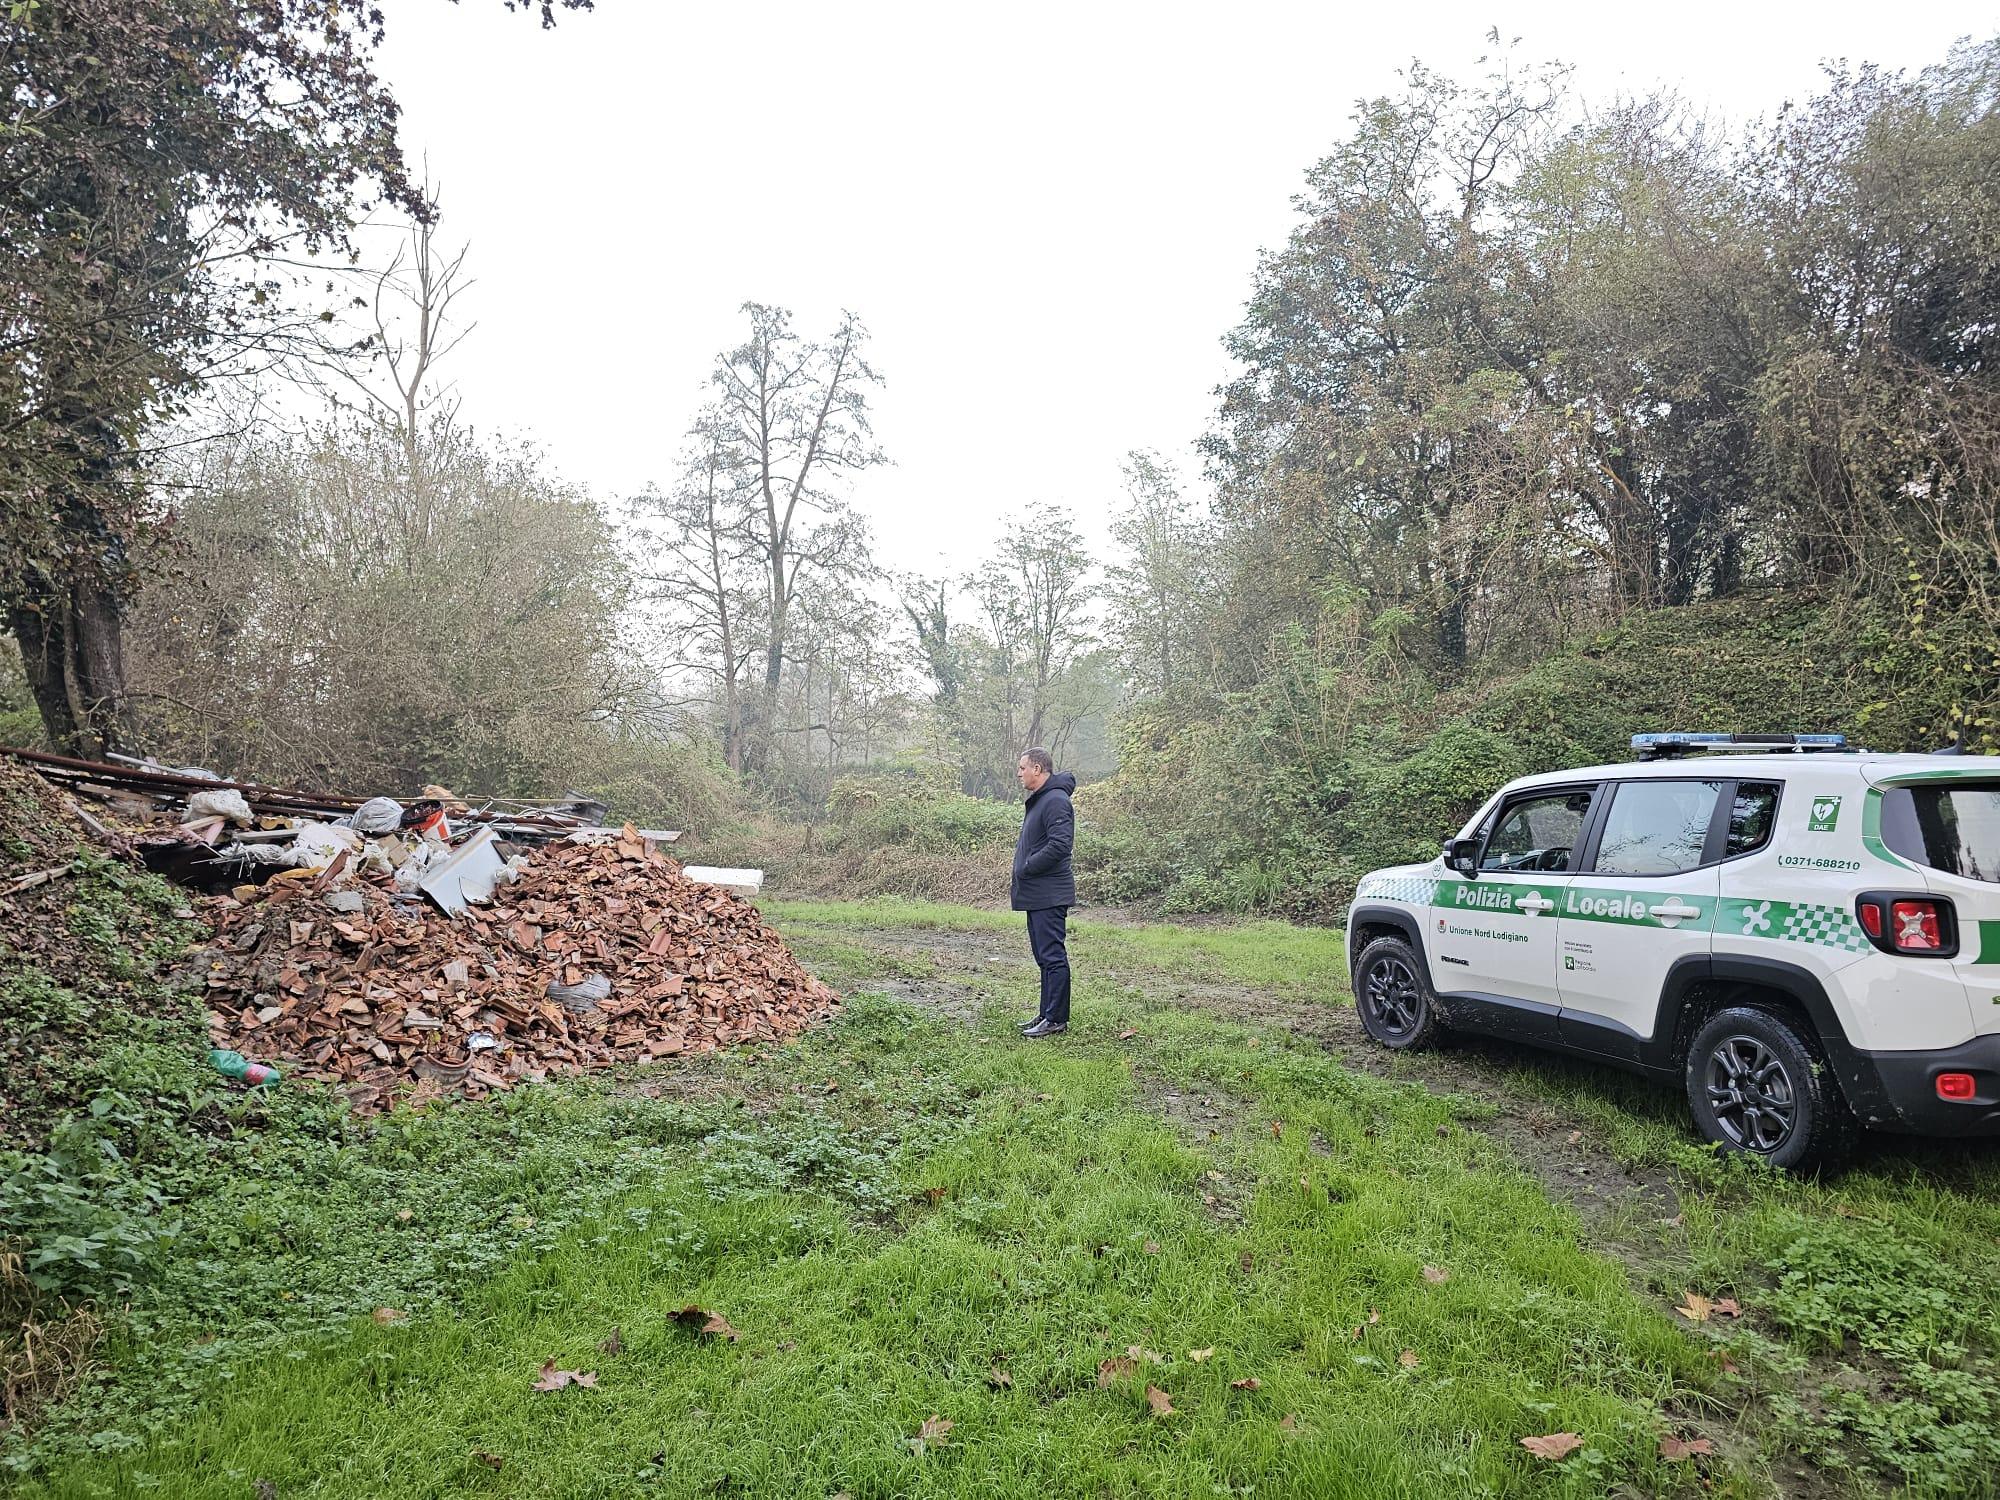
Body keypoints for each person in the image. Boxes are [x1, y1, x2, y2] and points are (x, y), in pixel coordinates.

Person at [1011, 746, 1075, 1039]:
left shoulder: (1056, 801)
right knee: (1043, 957)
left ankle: (1056, 1019)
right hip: (1038, 894)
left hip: (1049, 893)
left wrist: (1027, 866)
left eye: (1023, 767)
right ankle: (1046, 1013)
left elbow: (1060, 845)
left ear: (1037, 769)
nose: (1019, 773)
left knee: (1052, 956)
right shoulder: (1042, 799)